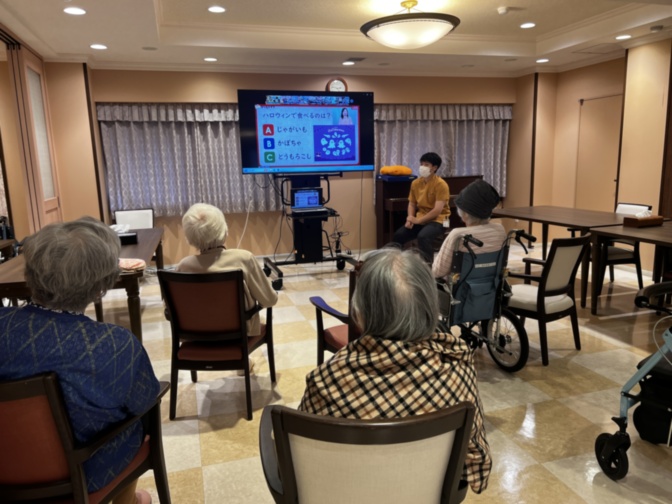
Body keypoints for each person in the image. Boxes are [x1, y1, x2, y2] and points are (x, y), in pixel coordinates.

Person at [298, 248, 491, 494]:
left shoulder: (327, 380)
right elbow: (475, 465)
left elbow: (300, 463)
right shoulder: (458, 370)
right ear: (430, 307)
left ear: (359, 313)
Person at [0, 217, 159, 504]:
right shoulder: (114, 344)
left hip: (6, 464)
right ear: (101, 285)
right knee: (136, 425)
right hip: (84, 472)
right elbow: (144, 402)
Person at [176, 203, 278, 336]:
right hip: (239, 336)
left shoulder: (183, 266)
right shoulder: (243, 259)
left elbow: (170, 311)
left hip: (196, 336)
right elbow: (270, 300)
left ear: (189, 238)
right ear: (224, 231)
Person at [433, 179, 506, 282]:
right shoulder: (500, 230)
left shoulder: (458, 235)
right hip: (491, 288)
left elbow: (438, 271)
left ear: (465, 215)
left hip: (461, 289)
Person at [391, 152, 450, 263]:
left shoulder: (441, 184)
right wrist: (410, 218)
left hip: (440, 220)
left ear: (434, 168)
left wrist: (418, 221)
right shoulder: (415, 183)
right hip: (420, 218)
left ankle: (427, 267)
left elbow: (437, 210)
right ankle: (396, 264)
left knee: (423, 237)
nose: (422, 167)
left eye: (426, 164)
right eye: (421, 164)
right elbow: (412, 204)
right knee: (399, 235)